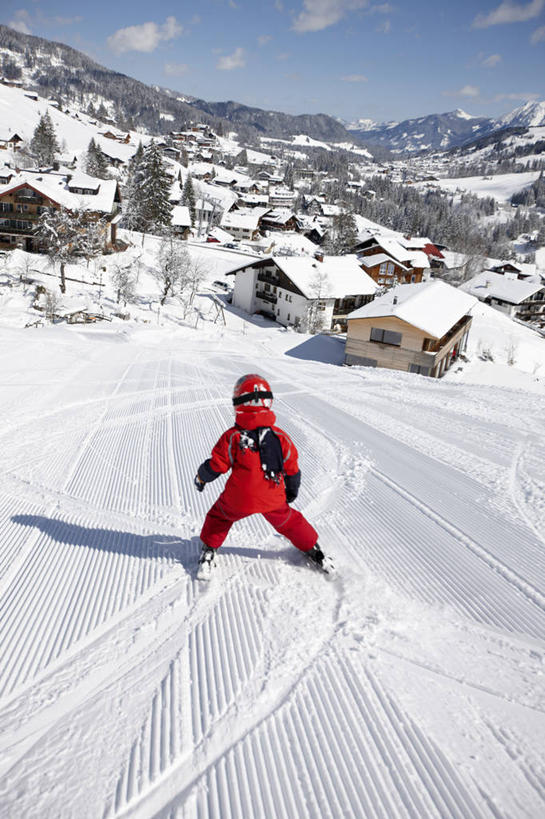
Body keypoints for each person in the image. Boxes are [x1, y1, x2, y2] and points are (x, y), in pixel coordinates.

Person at [194, 373, 333, 576]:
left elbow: (217, 465)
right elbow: (292, 468)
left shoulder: (233, 437)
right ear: (267, 402)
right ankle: (314, 549)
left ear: (239, 403)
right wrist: (291, 490)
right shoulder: (280, 437)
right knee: (290, 521)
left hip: (238, 497)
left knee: (219, 516)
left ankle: (209, 548)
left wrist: (201, 477)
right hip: (272, 496)